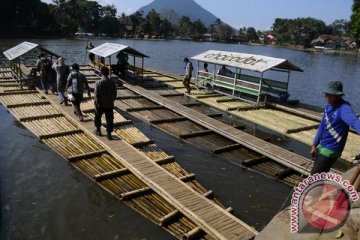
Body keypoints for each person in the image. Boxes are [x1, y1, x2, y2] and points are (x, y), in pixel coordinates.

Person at [310, 81, 360, 174]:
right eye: (327, 94)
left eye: (331, 95)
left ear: (338, 96)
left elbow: (354, 122)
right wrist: (314, 144)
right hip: (322, 147)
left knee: (313, 179)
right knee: (317, 179)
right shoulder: (328, 107)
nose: (328, 97)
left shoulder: (344, 108)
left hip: (331, 150)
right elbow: (322, 127)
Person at [94, 67, 117, 140]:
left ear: (101, 73)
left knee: (98, 117)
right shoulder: (112, 82)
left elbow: (96, 95)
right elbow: (114, 94)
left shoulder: (98, 82)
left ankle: (98, 131)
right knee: (109, 119)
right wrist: (111, 101)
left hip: (100, 104)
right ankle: (109, 134)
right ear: (108, 73)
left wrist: (96, 103)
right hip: (109, 103)